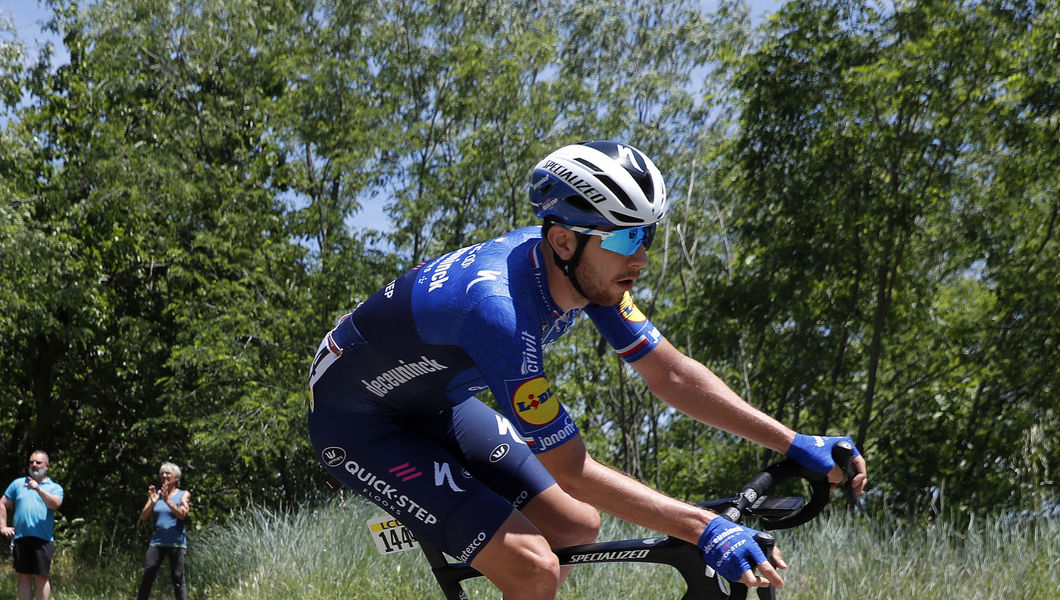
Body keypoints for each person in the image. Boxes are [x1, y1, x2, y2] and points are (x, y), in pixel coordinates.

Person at [307, 140, 868, 599]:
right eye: (627, 237)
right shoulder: (498, 311)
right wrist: (703, 526)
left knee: (576, 527)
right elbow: (571, 467)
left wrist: (793, 441)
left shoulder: (590, 277)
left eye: (647, 235)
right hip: (359, 424)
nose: (642, 257)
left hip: (434, 401)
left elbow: (671, 375)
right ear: (563, 240)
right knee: (533, 567)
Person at [0, 451, 64, 600]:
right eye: (31, 462)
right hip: (21, 537)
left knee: (41, 577)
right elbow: (2, 503)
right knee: (24, 577)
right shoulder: (18, 483)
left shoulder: (54, 487)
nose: (34, 465)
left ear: (47, 466)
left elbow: (55, 504)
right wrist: (3, 526)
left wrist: (38, 489)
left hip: (43, 539)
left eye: (38, 462)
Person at [135, 462, 190, 600]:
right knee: (148, 574)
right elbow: (143, 516)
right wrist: (153, 502)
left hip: (176, 543)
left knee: (178, 577)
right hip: (157, 542)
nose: (164, 475)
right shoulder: (156, 495)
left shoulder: (183, 494)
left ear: (176, 478)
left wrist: (167, 501)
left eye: (168, 473)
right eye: (162, 473)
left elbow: (183, 514)